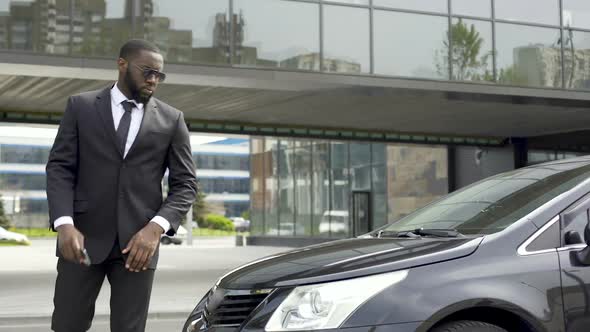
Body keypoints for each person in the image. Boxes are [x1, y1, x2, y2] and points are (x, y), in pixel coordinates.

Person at [46, 39, 198, 332]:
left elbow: (186, 183)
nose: (153, 80)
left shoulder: (172, 119)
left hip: (139, 245)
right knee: (67, 324)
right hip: (81, 240)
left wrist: (155, 229)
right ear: (122, 64)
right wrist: (64, 223)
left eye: (159, 75)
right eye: (147, 71)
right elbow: (60, 167)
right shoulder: (81, 106)